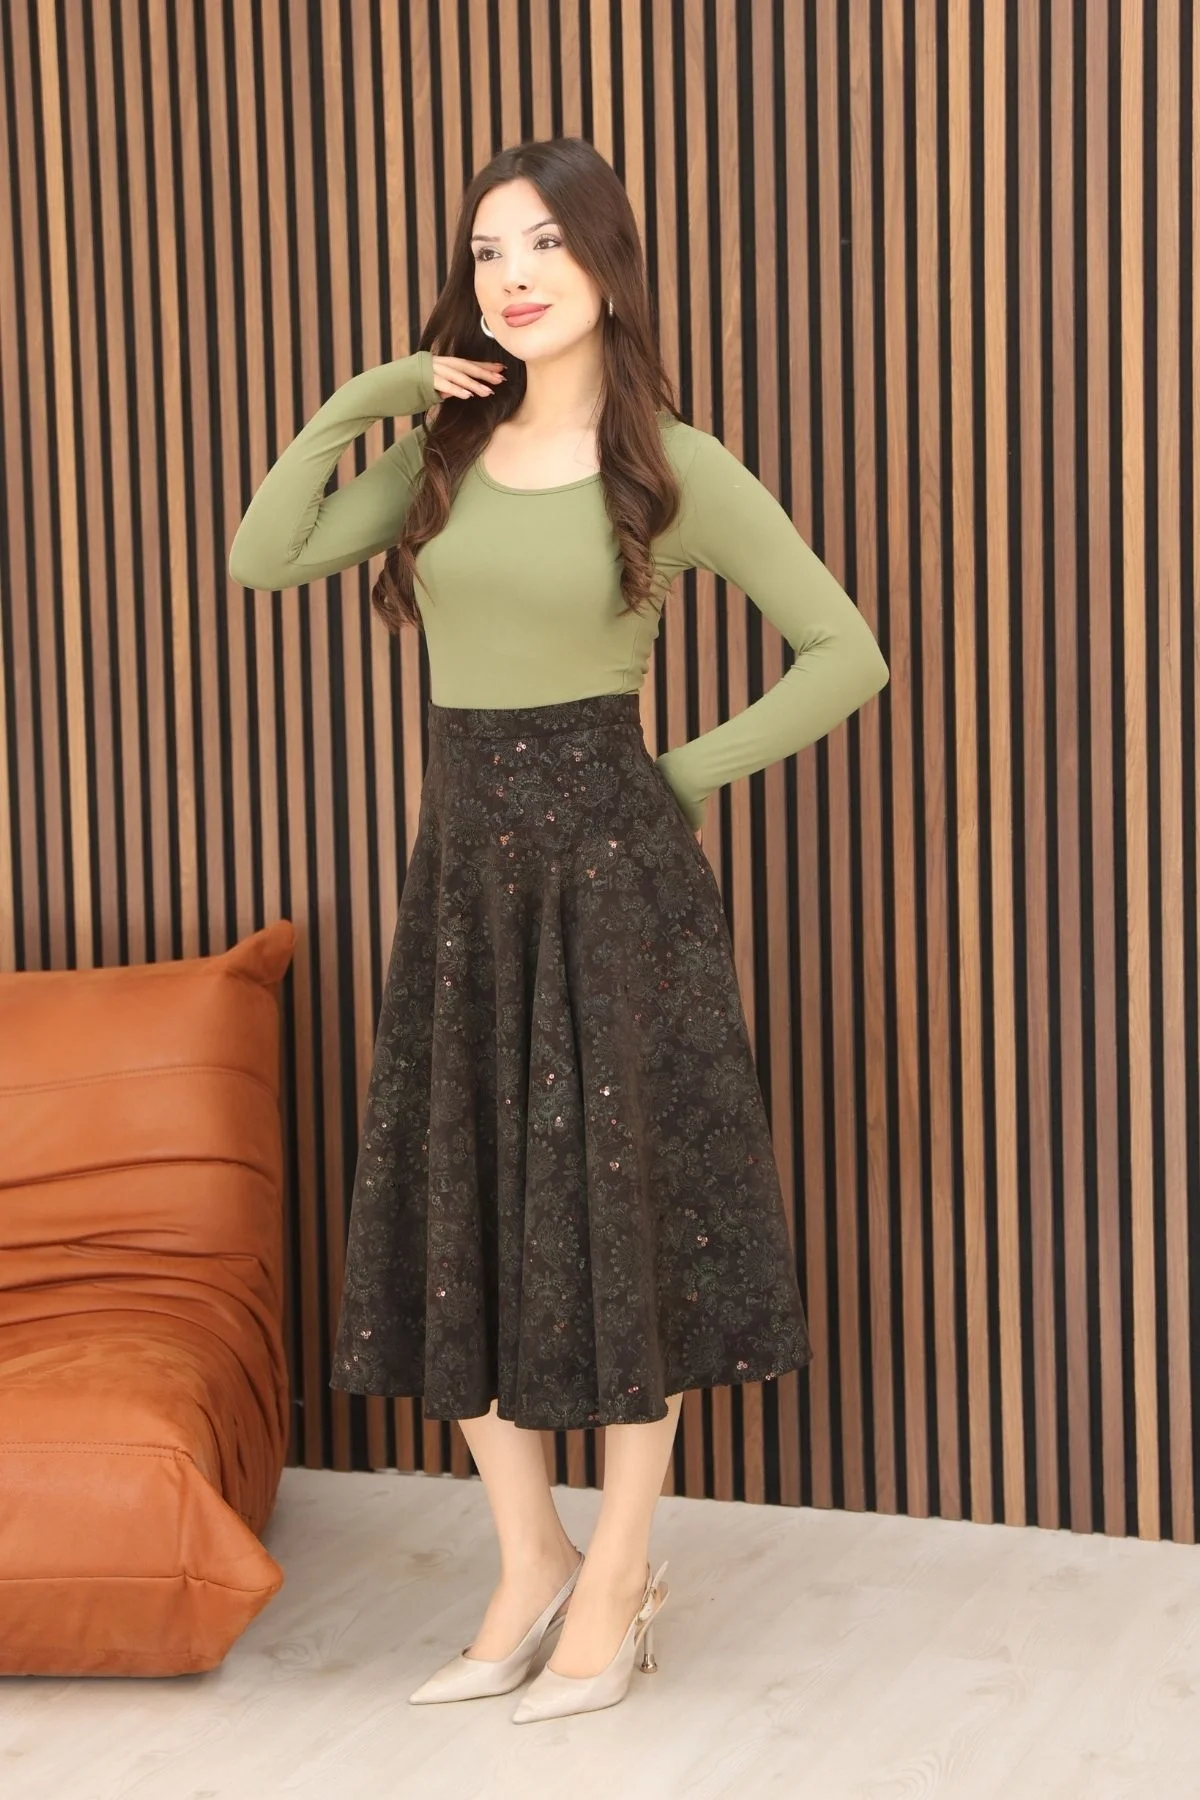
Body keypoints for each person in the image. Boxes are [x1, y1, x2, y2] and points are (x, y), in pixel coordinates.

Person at [228, 135, 889, 1723]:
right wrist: (366, 399)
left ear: (604, 264)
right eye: (486, 251)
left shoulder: (676, 466)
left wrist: (683, 775)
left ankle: (619, 1571)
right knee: (458, 1202)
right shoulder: (443, 453)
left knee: (621, 1220)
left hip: (615, 879)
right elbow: (264, 556)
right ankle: (528, 1558)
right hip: (462, 879)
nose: (511, 276)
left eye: (541, 244)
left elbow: (842, 652)